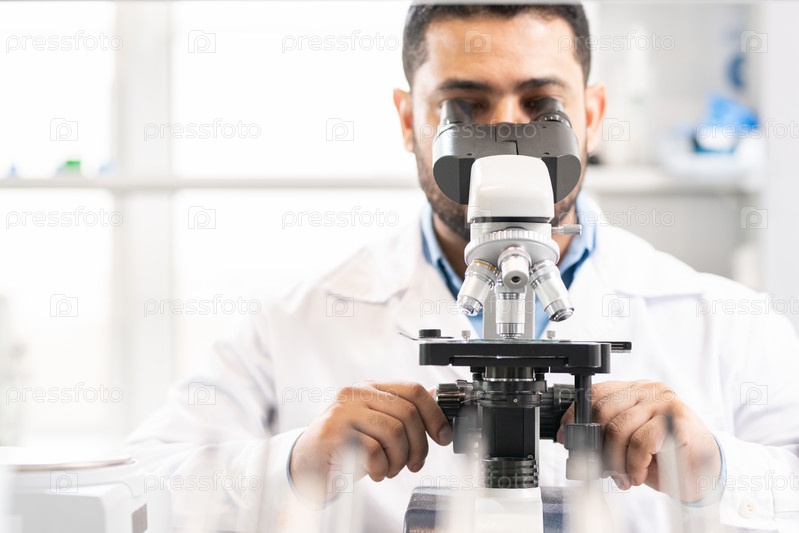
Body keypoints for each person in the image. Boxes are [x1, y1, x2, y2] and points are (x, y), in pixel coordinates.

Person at [127, 4, 799, 532]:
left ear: (591, 116)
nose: (507, 138)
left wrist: (716, 468)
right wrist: (295, 464)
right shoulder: (293, 321)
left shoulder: (721, 318)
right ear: (407, 120)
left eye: (541, 106)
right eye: (465, 107)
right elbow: (140, 490)